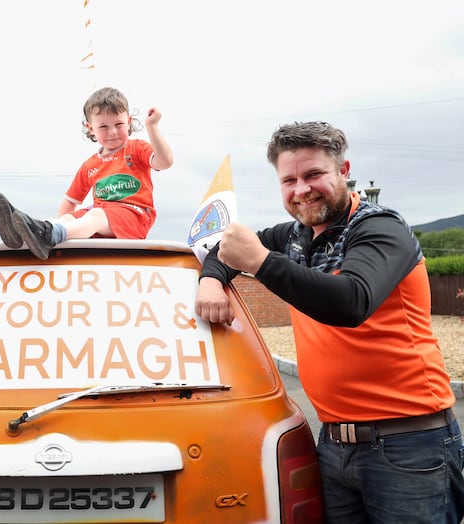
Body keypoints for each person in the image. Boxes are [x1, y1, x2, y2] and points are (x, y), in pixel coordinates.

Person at [194, 121, 464, 522]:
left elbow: (350, 303)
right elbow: (224, 247)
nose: (301, 188)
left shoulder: (380, 228)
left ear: (343, 170)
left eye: (314, 174)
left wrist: (260, 262)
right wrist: (211, 281)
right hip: (335, 443)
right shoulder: (294, 236)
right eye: (289, 179)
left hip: (409, 445)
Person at [0, 86, 173, 260]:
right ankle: (26, 231)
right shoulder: (90, 165)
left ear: (129, 122)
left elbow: (165, 162)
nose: (113, 132)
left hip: (135, 217)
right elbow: (71, 201)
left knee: (95, 214)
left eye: (118, 124)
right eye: (103, 127)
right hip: (103, 220)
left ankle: (48, 234)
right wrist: (62, 222)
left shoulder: (136, 148)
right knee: (70, 218)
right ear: (90, 128)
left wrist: (152, 127)